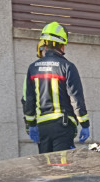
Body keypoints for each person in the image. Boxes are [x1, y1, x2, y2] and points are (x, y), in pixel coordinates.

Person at [23, 22, 90, 153]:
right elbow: (76, 98)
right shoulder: (67, 67)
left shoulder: (33, 67)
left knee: (46, 168)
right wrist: (85, 124)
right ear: (61, 44)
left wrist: (30, 125)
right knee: (62, 168)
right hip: (63, 126)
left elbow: (29, 100)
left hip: (42, 128)